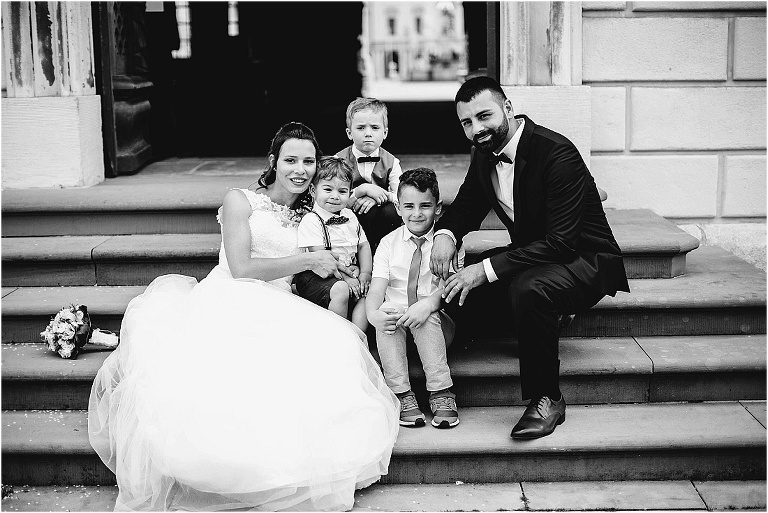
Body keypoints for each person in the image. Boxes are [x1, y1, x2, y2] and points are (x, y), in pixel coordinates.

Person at [88, 122, 400, 511]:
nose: (300, 170)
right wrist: (308, 258)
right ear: (273, 161)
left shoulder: (317, 204)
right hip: (233, 297)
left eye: (308, 161)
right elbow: (241, 268)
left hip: (288, 302)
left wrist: (371, 188)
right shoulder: (240, 200)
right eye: (290, 160)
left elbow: (351, 193)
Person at [430, 76, 630, 440]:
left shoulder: (556, 152)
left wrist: (484, 271)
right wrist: (445, 235)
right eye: (466, 122)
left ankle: (548, 399)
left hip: (584, 259)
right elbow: (466, 206)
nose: (477, 129)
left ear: (508, 108)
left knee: (526, 287)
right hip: (535, 254)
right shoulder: (484, 154)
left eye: (484, 116)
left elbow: (562, 243)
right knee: (460, 288)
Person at [367, 168, 459, 429]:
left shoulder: (447, 243)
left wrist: (427, 305)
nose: (416, 214)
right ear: (398, 208)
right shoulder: (388, 244)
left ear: (438, 208)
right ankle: (402, 394)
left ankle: (441, 392)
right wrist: (373, 315)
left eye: (425, 206)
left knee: (426, 317)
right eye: (409, 206)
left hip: (436, 325)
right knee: (386, 314)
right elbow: (377, 288)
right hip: (397, 330)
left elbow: (449, 286)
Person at [295, 156, 372, 331]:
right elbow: (322, 258)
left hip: (348, 271)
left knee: (369, 291)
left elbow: (363, 245)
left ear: (350, 193)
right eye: (328, 189)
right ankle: (339, 334)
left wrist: (364, 274)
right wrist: (347, 278)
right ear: (313, 191)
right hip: (317, 275)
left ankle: (357, 335)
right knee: (341, 289)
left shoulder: (350, 216)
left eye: (342, 191)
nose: (335, 196)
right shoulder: (312, 220)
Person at [335, 97, 403, 250]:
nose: (368, 133)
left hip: (382, 220)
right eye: (360, 128)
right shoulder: (338, 161)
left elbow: (401, 196)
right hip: (350, 216)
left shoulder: (392, 162)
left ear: (385, 133)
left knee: (391, 211)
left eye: (374, 127)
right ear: (349, 133)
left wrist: (377, 198)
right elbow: (332, 197)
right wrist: (361, 191)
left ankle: (384, 251)